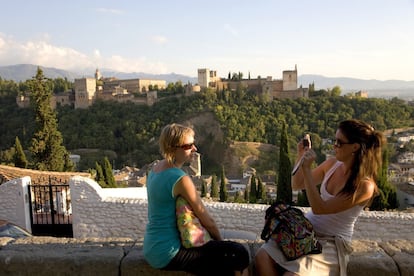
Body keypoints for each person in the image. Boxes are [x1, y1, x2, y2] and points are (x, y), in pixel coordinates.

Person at [255, 119, 385, 276]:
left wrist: (308, 170)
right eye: (334, 140)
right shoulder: (332, 164)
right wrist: (301, 156)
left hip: (332, 242)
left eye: (339, 142)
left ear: (355, 147)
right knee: (262, 256)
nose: (334, 145)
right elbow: (297, 184)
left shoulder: (364, 186)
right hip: (306, 232)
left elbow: (320, 208)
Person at [143, 123, 250, 276]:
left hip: (152, 246)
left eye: (193, 144)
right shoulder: (179, 179)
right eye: (188, 146)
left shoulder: (155, 170)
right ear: (174, 148)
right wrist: (219, 243)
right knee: (238, 253)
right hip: (169, 252)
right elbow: (207, 220)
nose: (195, 149)